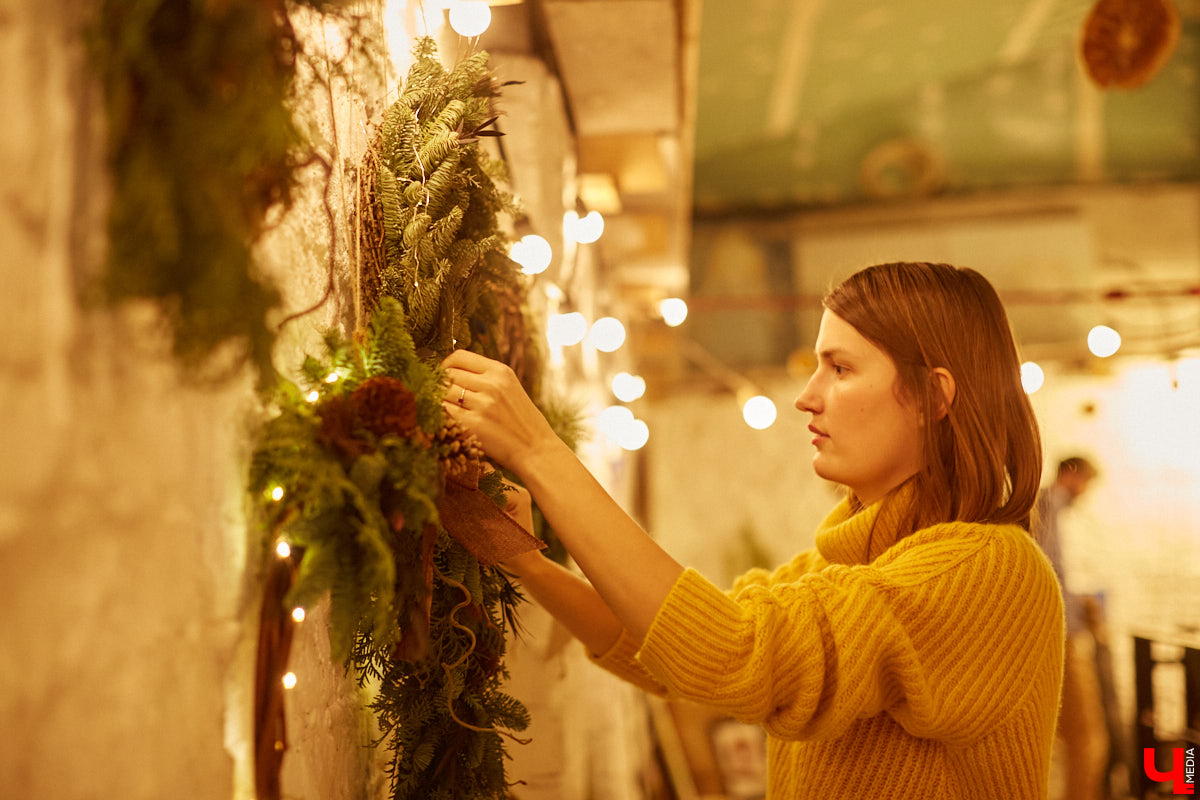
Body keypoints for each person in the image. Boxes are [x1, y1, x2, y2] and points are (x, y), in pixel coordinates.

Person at [442, 261, 1064, 799]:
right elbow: (674, 654)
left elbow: (735, 652)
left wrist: (541, 453)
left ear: (932, 397)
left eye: (840, 369)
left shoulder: (991, 569)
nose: (807, 396)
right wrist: (527, 561)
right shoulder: (843, 567)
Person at [1036, 457, 1116, 800]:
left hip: (1051, 636)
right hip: (1062, 637)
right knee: (1089, 737)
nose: (1085, 492)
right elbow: (1051, 573)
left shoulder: (1045, 507)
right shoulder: (1050, 505)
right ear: (1070, 473)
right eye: (1085, 481)